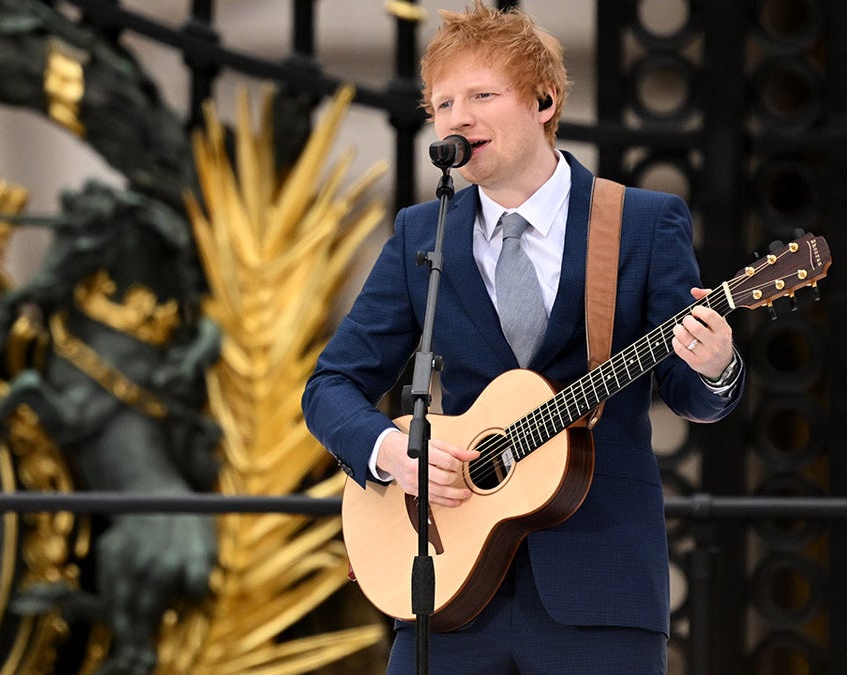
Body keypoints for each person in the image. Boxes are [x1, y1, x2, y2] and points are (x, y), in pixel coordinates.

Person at [301, 3, 743, 673]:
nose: (457, 116)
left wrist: (716, 366)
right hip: (449, 589)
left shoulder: (640, 223)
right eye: (443, 103)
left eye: (482, 94)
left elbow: (692, 395)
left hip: (600, 589)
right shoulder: (424, 234)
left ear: (544, 99)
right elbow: (330, 385)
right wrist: (393, 451)